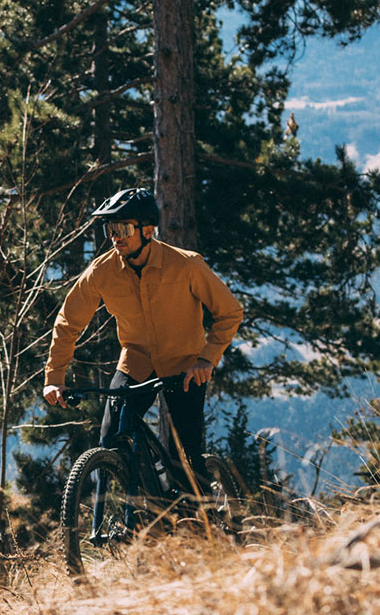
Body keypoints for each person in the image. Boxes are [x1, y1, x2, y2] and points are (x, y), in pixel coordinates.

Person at [42, 188, 243, 483]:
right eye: (111, 229)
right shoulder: (101, 271)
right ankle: (140, 509)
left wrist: (206, 360)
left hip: (185, 367)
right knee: (111, 441)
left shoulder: (186, 265)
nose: (115, 237)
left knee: (184, 460)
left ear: (147, 231)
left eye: (123, 228)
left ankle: (198, 521)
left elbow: (230, 312)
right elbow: (68, 322)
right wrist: (54, 378)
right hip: (135, 363)